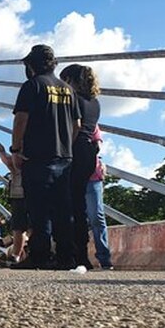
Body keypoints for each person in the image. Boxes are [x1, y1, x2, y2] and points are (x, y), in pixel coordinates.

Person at [10, 44, 81, 270]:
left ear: (32, 65)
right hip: (64, 156)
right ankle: (65, 257)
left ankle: (40, 256)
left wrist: (15, 149)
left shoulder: (32, 86)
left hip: (37, 157)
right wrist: (65, 144)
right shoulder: (68, 89)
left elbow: (21, 119)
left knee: (39, 210)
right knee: (63, 209)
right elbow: (77, 125)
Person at [59, 64, 101, 270]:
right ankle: (83, 255)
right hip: (89, 153)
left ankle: (70, 253)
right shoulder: (95, 103)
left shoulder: (72, 100)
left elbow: (72, 128)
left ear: (69, 80)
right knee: (79, 205)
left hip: (74, 150)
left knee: (67, 205)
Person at [0, 141, 28, 262]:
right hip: (37, 190)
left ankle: (16, 254)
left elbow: (11, 163)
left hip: (19, 192)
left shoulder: (21, 151)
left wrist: (1, 152)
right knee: (35, 224)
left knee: (19, 227)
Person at [86, 154, 114, 269]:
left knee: (96, 217)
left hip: (92, 177)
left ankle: (104, 258)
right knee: (75, 218)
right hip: (73, 174)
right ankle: (78, 257)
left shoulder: (94, 135)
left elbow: (96, 145)